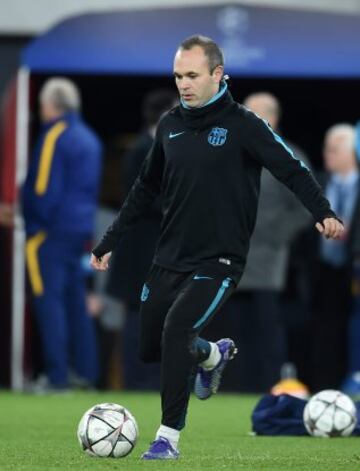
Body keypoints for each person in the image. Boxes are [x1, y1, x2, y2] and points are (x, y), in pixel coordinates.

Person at [90, 35, 343, 459]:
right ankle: (210, 355)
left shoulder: (244, 124)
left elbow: (293, 169)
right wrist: (109, 241)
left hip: (220, 259)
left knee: (176, 331)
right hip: (169, 257)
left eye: (191, 75)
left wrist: (324, 211)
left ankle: (167, 439)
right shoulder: (169, 124)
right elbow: (143, 190)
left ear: (217, 75)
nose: (183, 84)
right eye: (177, 76)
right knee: (151, 347)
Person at [209, 92, 312, 392]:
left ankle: (269, 388)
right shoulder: (228, 150)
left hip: (267, 263)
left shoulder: (289, 155)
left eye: (254, 114)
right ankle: (229, 388)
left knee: (267, 330)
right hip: (227, 259)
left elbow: (306, 207)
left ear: (273, 118)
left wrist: (273, 235)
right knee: (229, 329)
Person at [22, 78, 102, 391]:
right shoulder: (89, 138)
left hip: (49, 233)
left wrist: (32, 224)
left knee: (48, 301)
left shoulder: (56, 135)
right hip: (79, 231)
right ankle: (85, 373)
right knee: (74, 302)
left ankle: (57, 377)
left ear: (50, 106)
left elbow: (42, 188)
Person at [105, 88, 178, 389]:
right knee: (138, 317)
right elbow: (142, 199)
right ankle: (137, 381)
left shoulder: (162, 146)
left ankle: (153, 379)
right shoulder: (141, 150)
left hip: (156, 249)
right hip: (139, 253)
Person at [310, 124, 360, 391]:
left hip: (353, 267)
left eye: (334, 149)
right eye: (326, 149)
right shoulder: (317, 182)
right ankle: (323, 387)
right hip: (323, 269)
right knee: (324, 331)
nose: (327, 155)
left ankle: (354, 380)